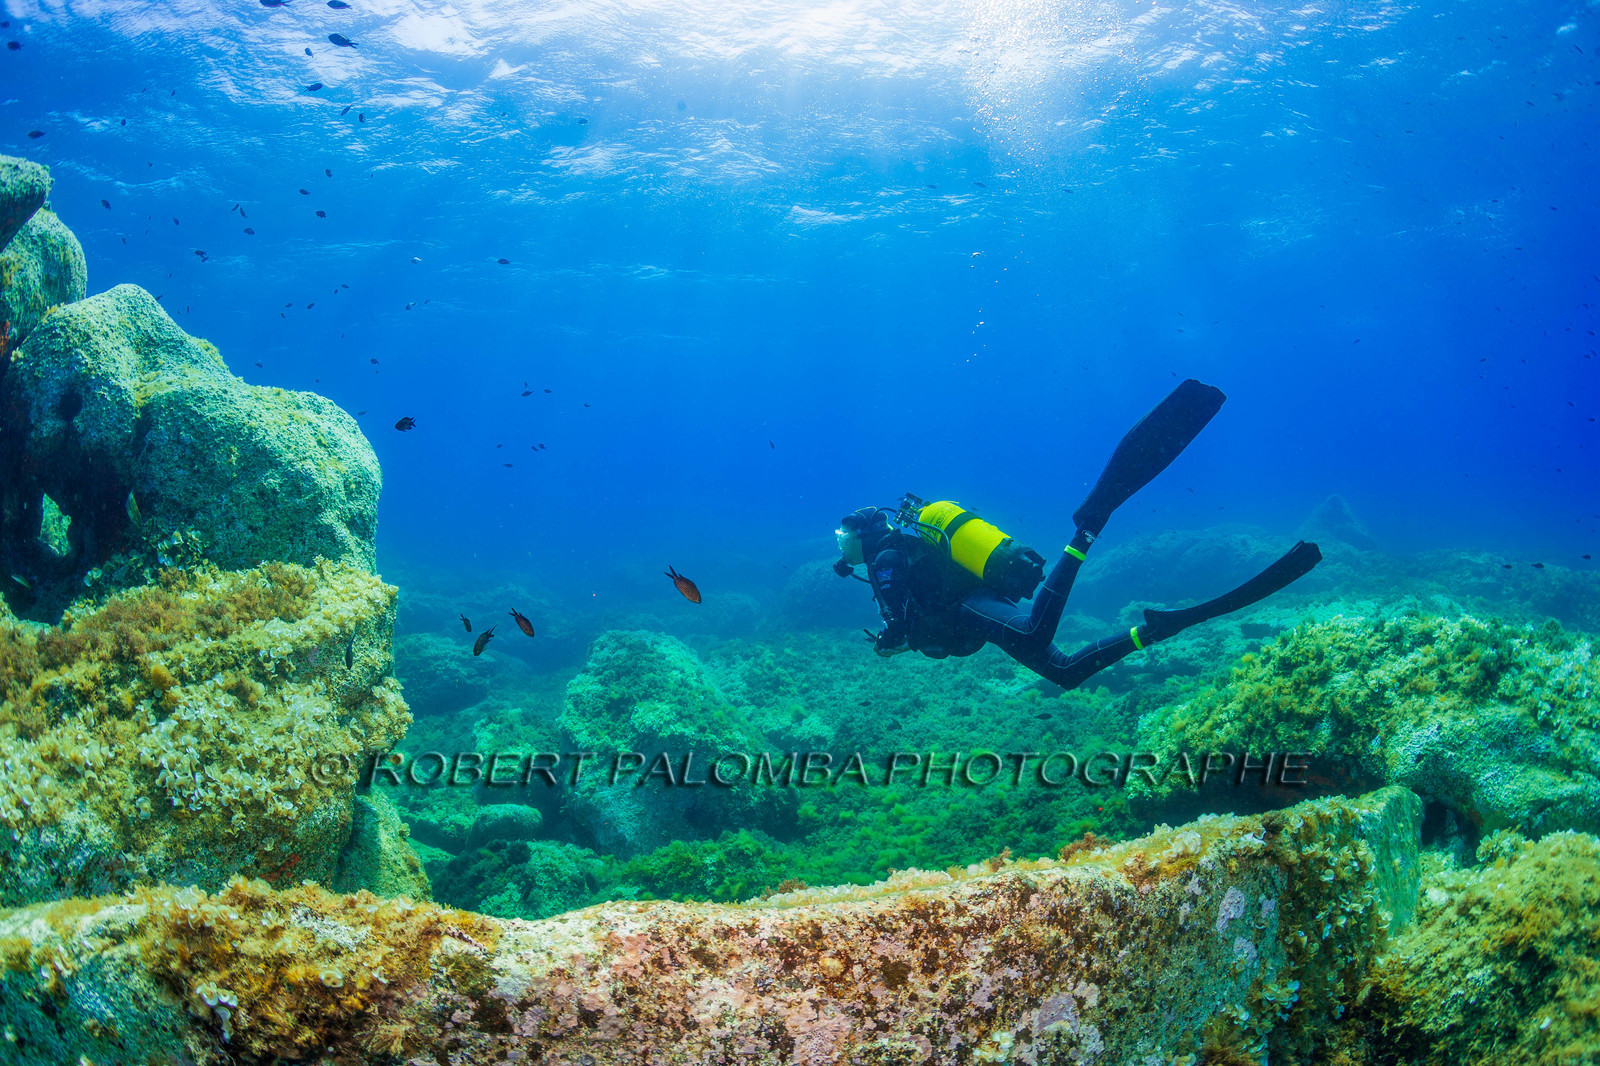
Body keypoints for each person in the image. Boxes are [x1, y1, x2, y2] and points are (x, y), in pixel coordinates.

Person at [833, 379, 1322, 690]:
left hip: (966, 606)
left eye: (841, 534)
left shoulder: (885, 559)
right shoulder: (890, 552)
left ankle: (1089, 527)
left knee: (1035, 631)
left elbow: (899, 625)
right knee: (1064, 672)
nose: (839, 543)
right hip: (967, 611)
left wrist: (888, 641)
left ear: (860, 531)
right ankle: (1154, 629)